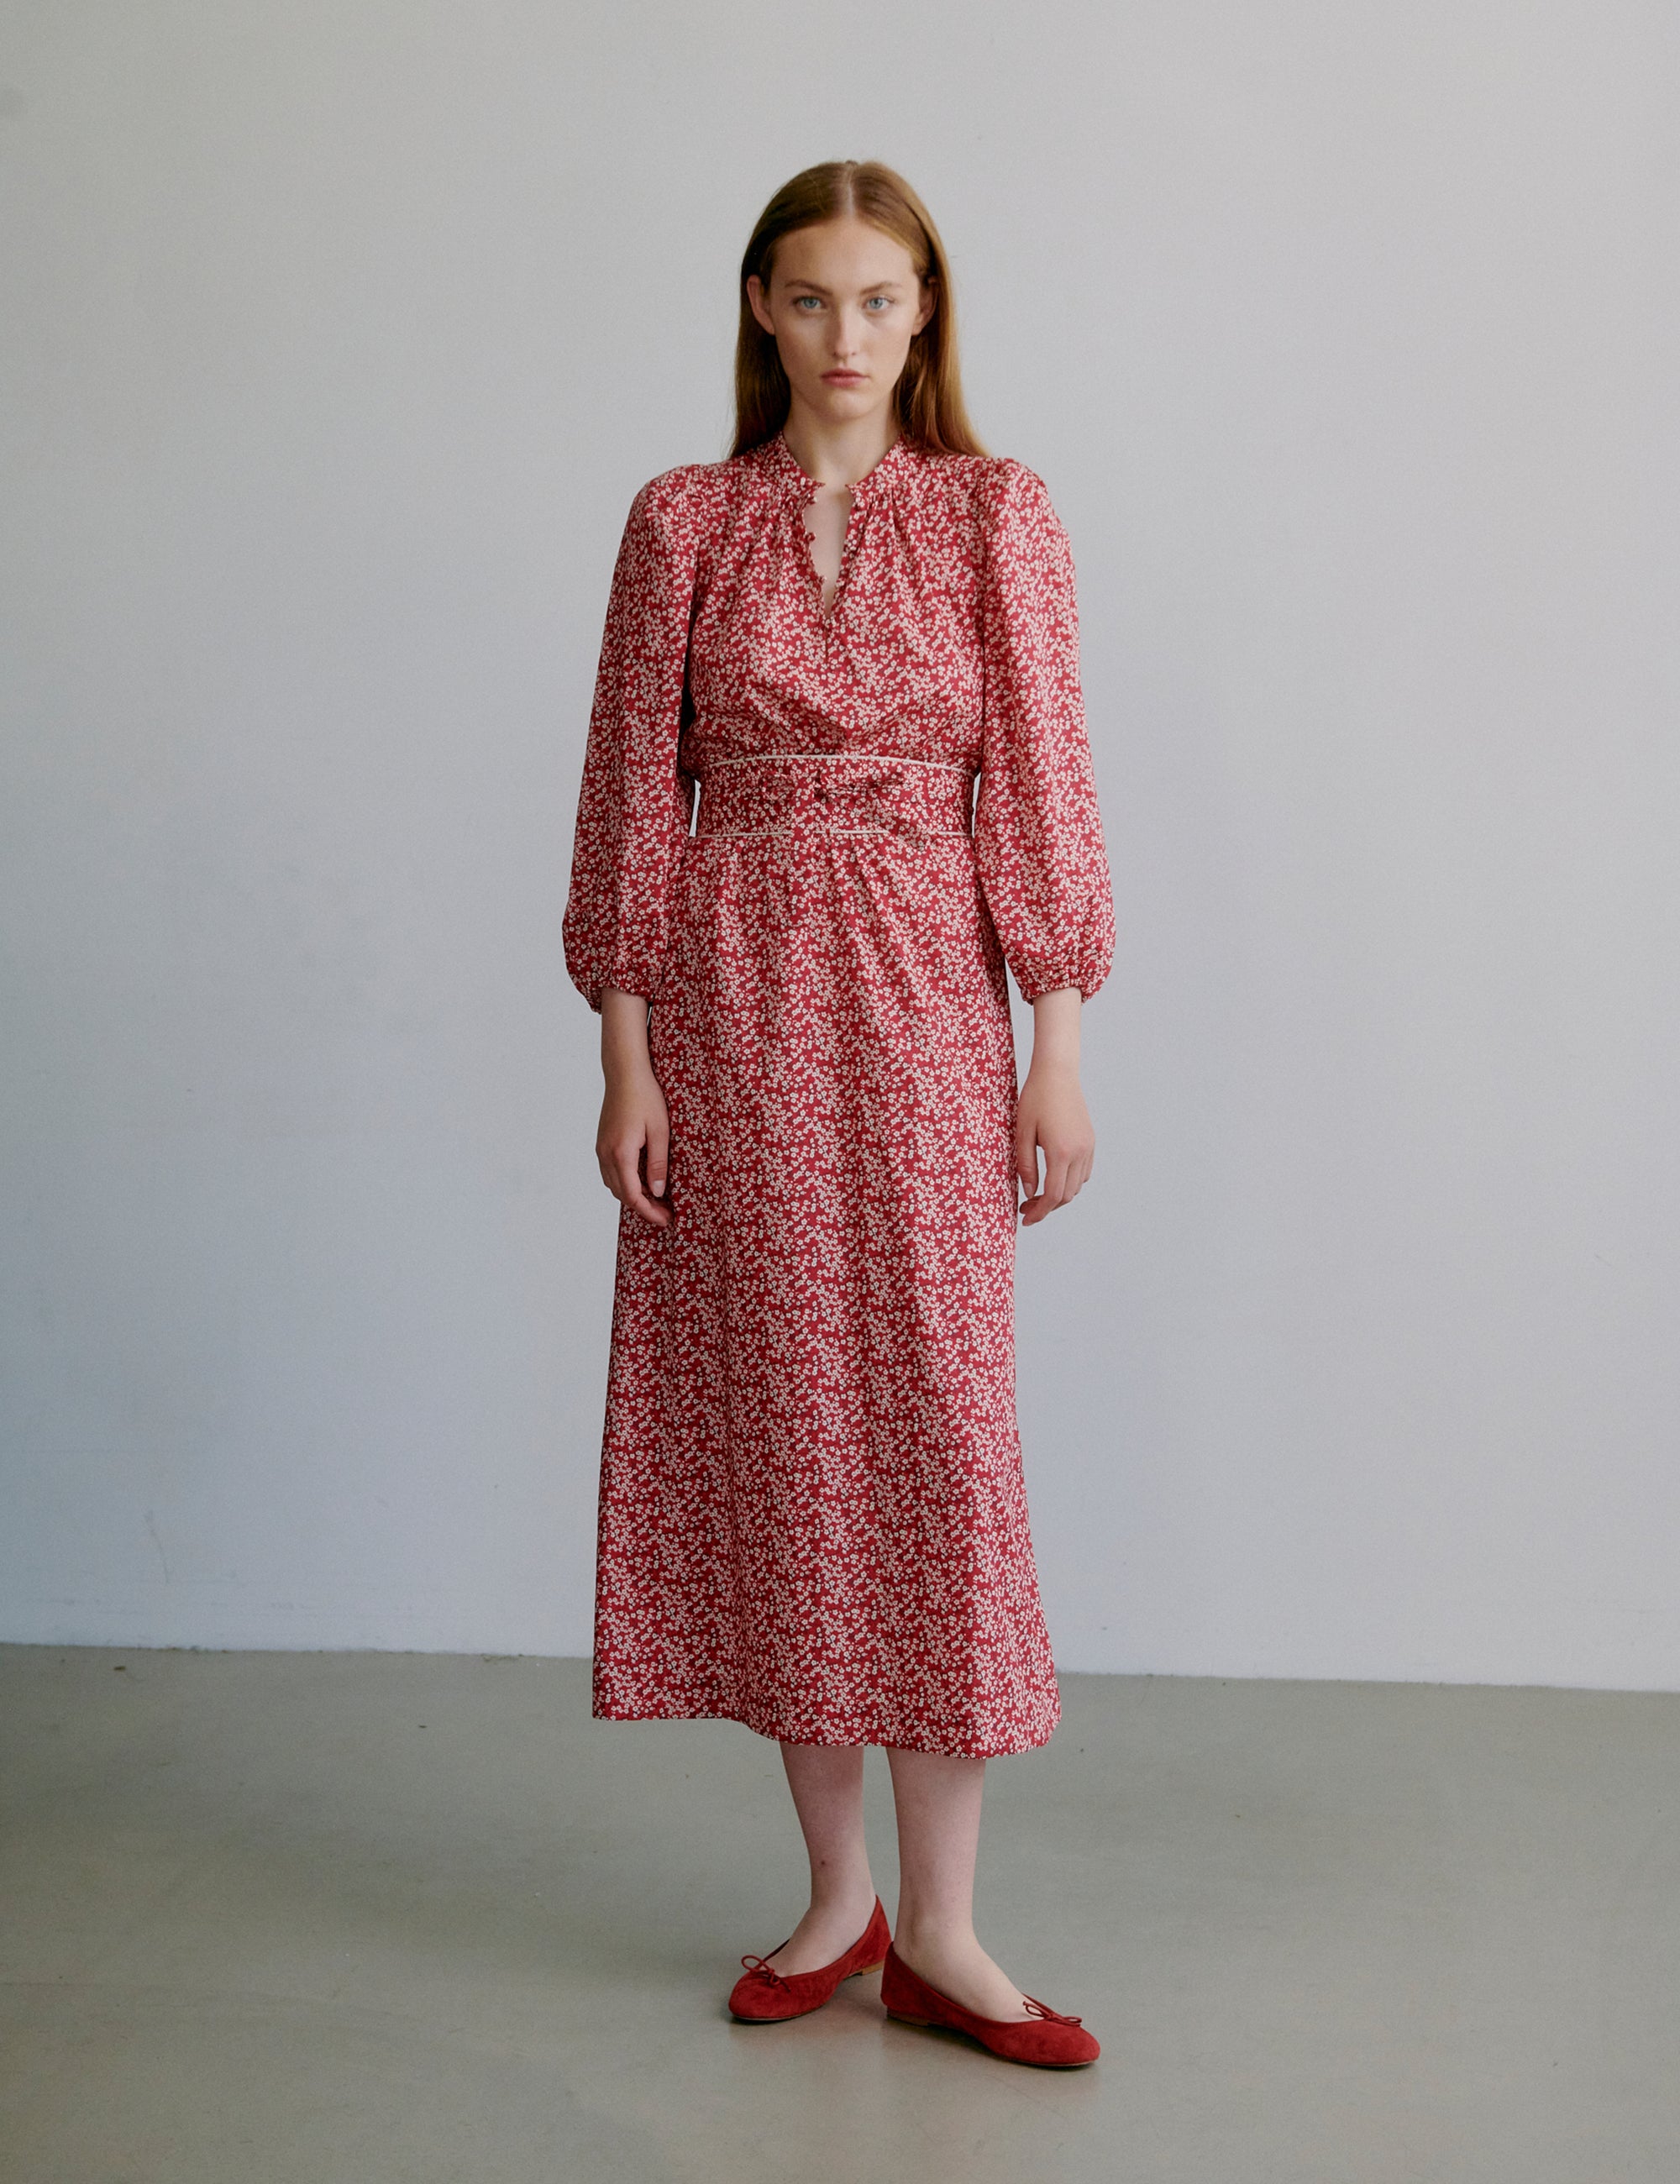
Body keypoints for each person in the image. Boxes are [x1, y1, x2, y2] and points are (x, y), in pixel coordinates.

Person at [561, 160, 1116, 2071]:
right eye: (812, 301)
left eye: (884, 302)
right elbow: (634, 794)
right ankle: (835, 1899)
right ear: (758, 310)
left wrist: (1054, 1032)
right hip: (725, 1011)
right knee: (786, 1436)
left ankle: (948, 1927)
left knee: (940, 1440)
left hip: (916, 1004)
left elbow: (1039, 775)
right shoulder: (681, 521)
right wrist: (626, 1052)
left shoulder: (992, 516)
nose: (850, 337)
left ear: (928, 315)